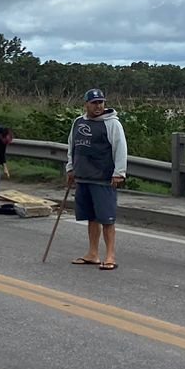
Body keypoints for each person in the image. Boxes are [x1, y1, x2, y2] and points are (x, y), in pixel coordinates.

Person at [65, 89, 128, 271]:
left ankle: (110, 256)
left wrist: (119, 172)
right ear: (86, 104)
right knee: (91, 217)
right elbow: (72, 146)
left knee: (107, 219)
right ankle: (92, 253)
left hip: (103, 178)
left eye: (101, 102)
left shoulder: (112, 124)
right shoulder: (78, 122)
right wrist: (70, 168)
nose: (98, 106)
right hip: (83, 176)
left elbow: (120, 148)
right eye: (94, 103)